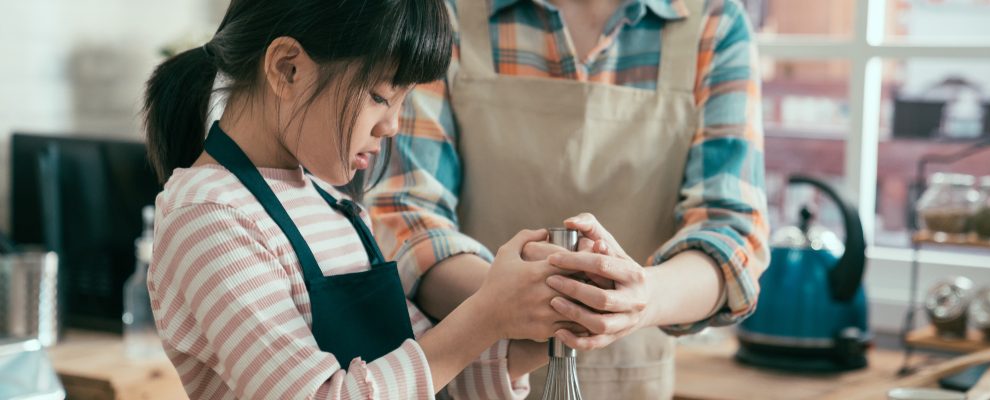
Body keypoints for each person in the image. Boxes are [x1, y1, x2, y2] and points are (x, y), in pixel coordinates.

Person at [142, 0, 575, 398]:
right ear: (287, 68)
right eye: (380, 97)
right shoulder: (207, 216)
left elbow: (426, 372)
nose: (392, 126)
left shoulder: (333, 204)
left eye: (405, 100)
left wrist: (550, 314)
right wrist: (486, 314)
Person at [367, 0, 771, 398]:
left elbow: (732, 231)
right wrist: (505, 302)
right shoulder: (447, 13)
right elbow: (404, 213)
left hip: (631, 381)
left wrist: (643, 297)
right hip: (468, 378)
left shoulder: (713, 23)